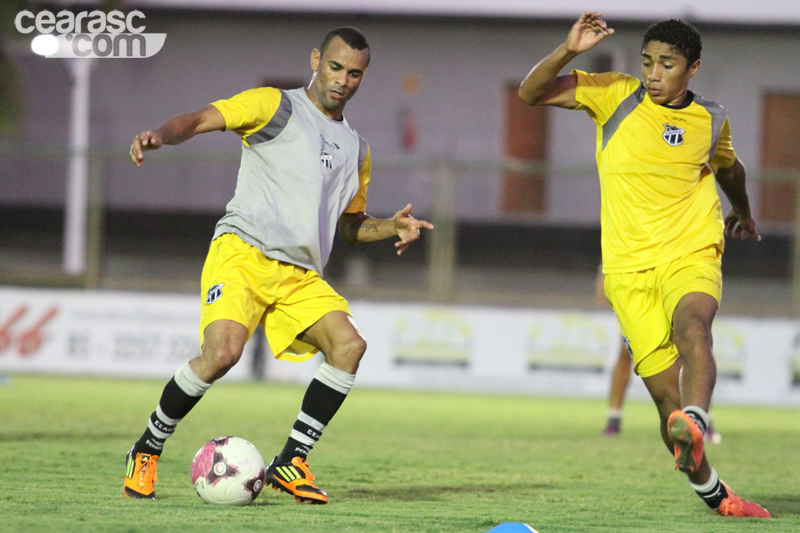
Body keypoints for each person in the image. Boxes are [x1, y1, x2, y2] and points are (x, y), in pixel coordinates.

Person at [124, 27, 433, 504]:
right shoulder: (275, 106)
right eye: (335, 67)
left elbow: (350, 226)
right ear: (315, 60)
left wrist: (391, 226)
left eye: (355, 73)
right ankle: (147, 447)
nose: (343, 80)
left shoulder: (357, 149)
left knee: (349, 345)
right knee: (221, 355)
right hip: (243, 252)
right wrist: (160, 135)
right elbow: (203, 117)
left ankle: (291, 460)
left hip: (300, 274)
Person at [519, 13, 770, 517]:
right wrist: (569, 50)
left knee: (694, 326)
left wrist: (741, 212)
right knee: (662, 401)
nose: (655, 73)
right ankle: (717, 495)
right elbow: (531, 94)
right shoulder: (614, 94)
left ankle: (696, 417)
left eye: (668, 64)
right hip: (628, 270)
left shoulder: (711, 119)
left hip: (690, 250)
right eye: (648, 62)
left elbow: (731, 169)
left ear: (692, 68)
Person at [596, 268, 721, 443]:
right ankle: (614, 418)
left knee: (691, 349)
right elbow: (615, 239)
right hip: (640, 279)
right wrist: (603, 272)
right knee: (626, 350)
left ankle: (702, 420)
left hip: (675, 273)